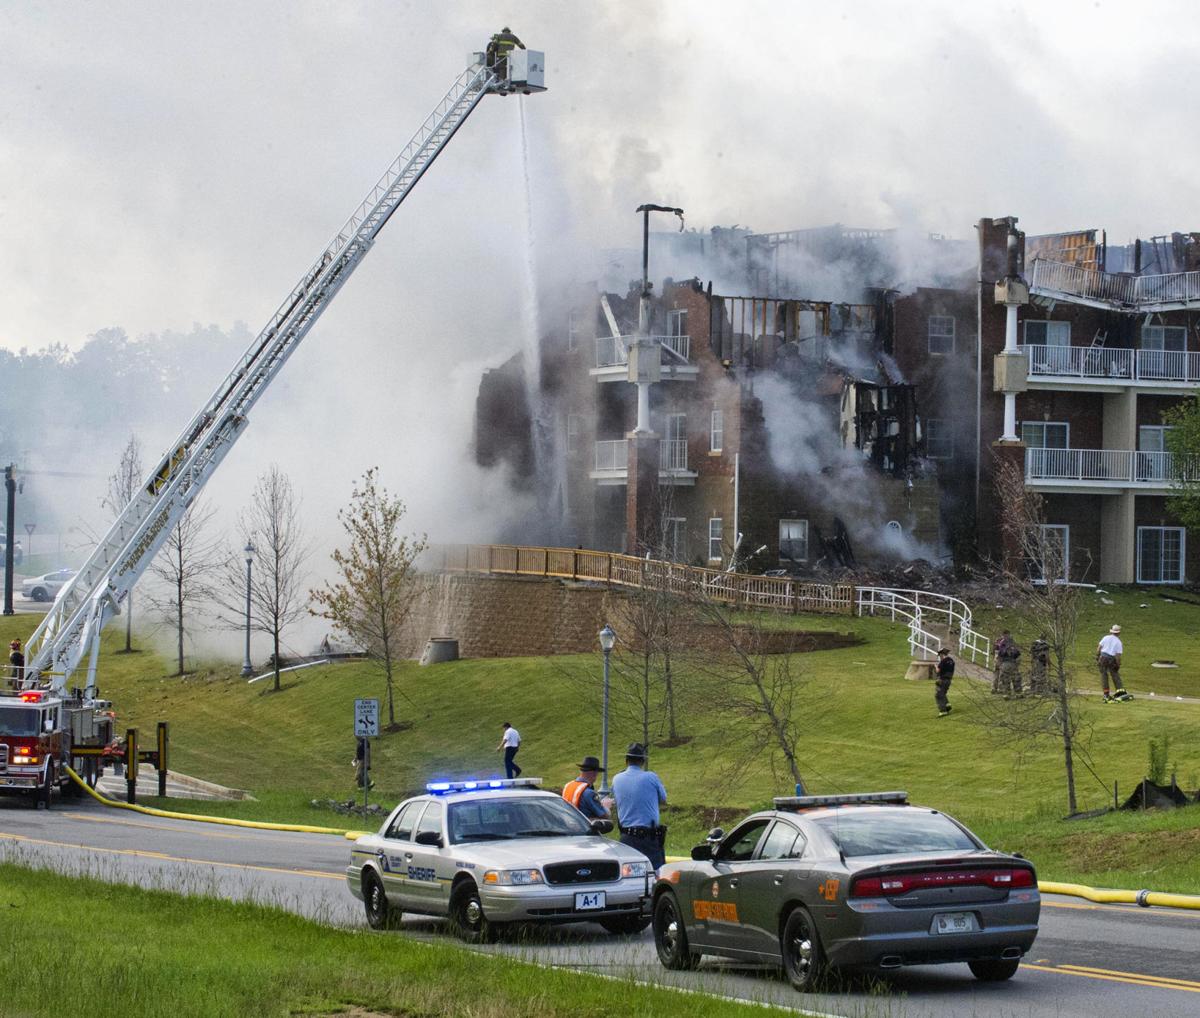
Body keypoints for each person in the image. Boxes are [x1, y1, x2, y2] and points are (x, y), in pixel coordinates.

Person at [611, 743, 668, 869]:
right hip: (648, 838)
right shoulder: (651, 777)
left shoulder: (616, 779)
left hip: (626, 837)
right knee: (655, 873)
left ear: (626, 760)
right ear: (643, 761)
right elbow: (663, 799)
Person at [562, 755, 610, 820]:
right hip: (584, 825)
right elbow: (604, 816)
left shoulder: (568, 786)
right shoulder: (589, 793)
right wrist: (606, 806)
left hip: (568, 824)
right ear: (594, 774)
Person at [1097, 624, 1132, 702]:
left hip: (1102, 658)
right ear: (1119, 633)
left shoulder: (1105, 637)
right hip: (1111, 659)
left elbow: (1098, 649)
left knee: (1104, 676)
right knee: (1115, 675)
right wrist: (1118, 664)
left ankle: (1106, 694)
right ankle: (1120, 692)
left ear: (1111, 632)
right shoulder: (1118, 642)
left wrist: (1098, 657)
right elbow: (1118, 656)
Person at [994, 630, 1022, 698]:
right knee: (1012, 678)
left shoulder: (1002, 643)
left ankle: (1009, 693)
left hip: (1008, 662)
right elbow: (1018, 654)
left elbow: (1000, 654)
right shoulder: (1012, 643)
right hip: (1009, 662)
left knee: (1009, 678)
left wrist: (999, 663)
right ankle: (1016, 693)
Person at [934, 647, 955, 717]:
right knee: (943, 693)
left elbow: (938, 671)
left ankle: (943, 711)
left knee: (938, 695)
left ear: (942, 654)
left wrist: (936, 667)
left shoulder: (943, 661)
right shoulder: (951, 661)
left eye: (939, 655)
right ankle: (947, 705)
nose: (939, 656)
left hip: (942, 680)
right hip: (949, 680)